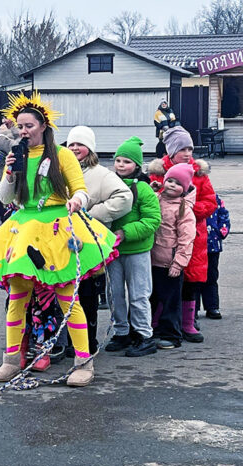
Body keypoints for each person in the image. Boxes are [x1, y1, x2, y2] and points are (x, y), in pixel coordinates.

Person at [0, 92, 118, 386]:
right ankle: (11, 359)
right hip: (23, 229)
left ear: (43, 126)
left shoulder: (62, 155)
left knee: (67, 298)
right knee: (17, 298)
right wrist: (9, 173)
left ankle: (83, 362)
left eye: (28, 126)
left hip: (57, 228)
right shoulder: (17, 155)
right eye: (20, 126)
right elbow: (5, 197)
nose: (23, 131)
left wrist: (77, 201)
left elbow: (80, 190)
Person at [65, 126, 132, 370]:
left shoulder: (100, 174)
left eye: (79, 145)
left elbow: (124, 197)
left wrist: (92, 215)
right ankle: (67, 342)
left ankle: (88, 343)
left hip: (89, 243)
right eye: (71, 144)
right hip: (61, 241)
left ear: (90, 148)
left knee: (87, 295)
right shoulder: (60, 169)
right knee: (63, 291)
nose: (74, 149)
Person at [148, 126, 216, 343]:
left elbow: (210, 202)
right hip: (164, 239)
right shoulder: (158, 173)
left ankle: (188, 322)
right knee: (163, 282)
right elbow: (151, 200)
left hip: (193, 233)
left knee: (192, 280)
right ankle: (159, 322)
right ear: (171, 151)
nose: (187, 153)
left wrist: (186, 211)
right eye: (182, 149)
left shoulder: (199, 173)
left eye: (190, 148)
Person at [103, 137, 162, 357]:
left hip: (136, 250)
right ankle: (121, 332)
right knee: (115, 293)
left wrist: (125, 233)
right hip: (113, 251)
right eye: (118, 160)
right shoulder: (109, 186)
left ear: (136, 165)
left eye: (126, 161)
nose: (120, 165)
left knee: (138, 295)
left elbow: (152, 220)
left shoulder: (143, 189)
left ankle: (144, 335)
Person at [149, 163, 196, 349]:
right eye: (169, 180)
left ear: (184, 189)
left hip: (170, 263)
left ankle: (172, 334)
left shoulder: (184, 209)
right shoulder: (157, 199)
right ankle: (151, 329)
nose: (171, 185)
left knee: (170, 301)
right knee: (152, 297)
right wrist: (152, 189)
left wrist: (179, 263)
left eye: (177, 183)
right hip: (151, 259)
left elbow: (187, 238)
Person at [201, 194, 230, 319]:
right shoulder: (188, 195)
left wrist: (222, 229)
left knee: (211, 276)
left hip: (212, 244)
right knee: (192, 279)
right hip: (193, 244)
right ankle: (192, 309)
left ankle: (212, 306)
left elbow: (223, 214)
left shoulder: (214, 198)